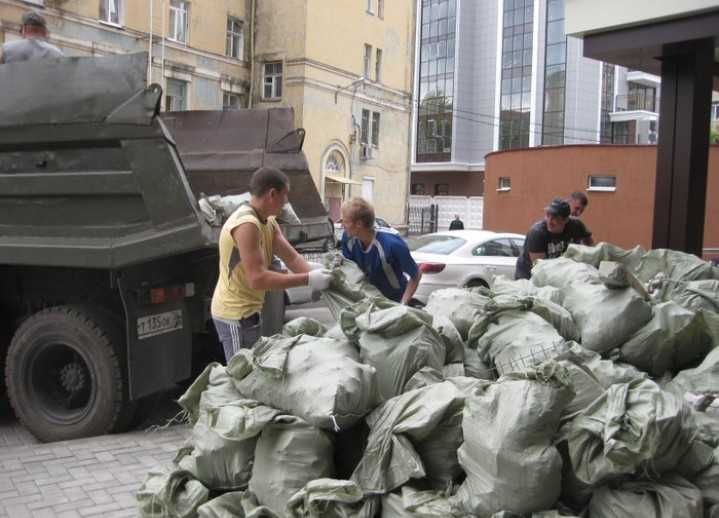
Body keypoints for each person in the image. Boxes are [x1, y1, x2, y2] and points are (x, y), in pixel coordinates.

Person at [211, 167, 332, 362]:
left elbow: (291, 258)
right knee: (239, 376)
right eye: (284, 197)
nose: (285, 204)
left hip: (251, 311)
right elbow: (257, 279)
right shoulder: (247, 225)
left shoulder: (268, 222)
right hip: (233, 315)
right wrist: (308, 279)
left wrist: (316, 272)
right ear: (272, 194)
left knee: (253, 371)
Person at [341, 197, 421, 304]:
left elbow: (416, 275)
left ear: (359, 224)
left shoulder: (392, 245)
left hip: (395, 300)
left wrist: (403, 304)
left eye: (345, 221)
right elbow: (351, 273)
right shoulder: (348, 239)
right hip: (368, 300)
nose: (342, 225)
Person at [515, 198, 593, 280]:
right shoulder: (537, 233)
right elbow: (540, 268)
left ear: (566, 219)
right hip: (529, 275)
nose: (549, 221)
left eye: (555, 218)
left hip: (557, 272)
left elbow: (589, 244)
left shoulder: (576, 226)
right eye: (548, 215)